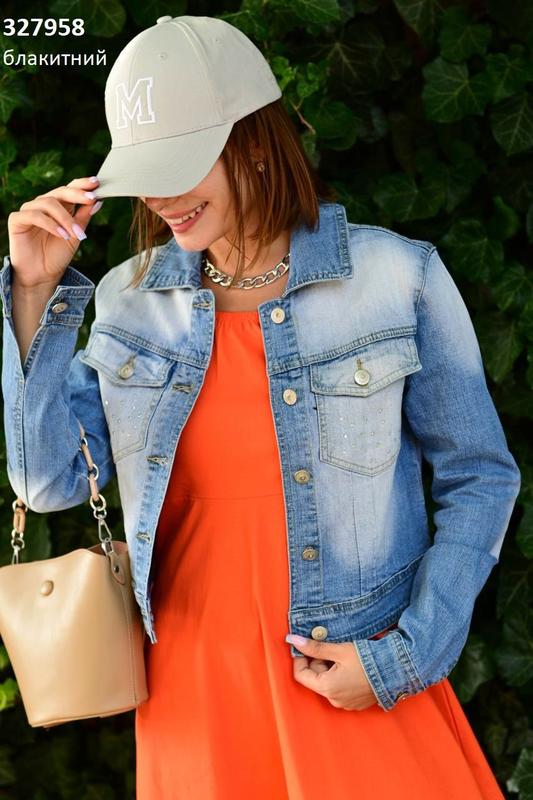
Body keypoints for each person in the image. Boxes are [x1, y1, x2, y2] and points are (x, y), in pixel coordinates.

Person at [1, 14, 521, 800]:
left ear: (250, 142)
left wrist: (406, 655)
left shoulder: (397, 277)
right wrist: (35, 296)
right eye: (145, 171)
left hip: (349, 673)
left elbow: (480, 478)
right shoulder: (128, 301)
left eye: (179, 163)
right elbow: (47, 483)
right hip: (193, 694)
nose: (161, 195)